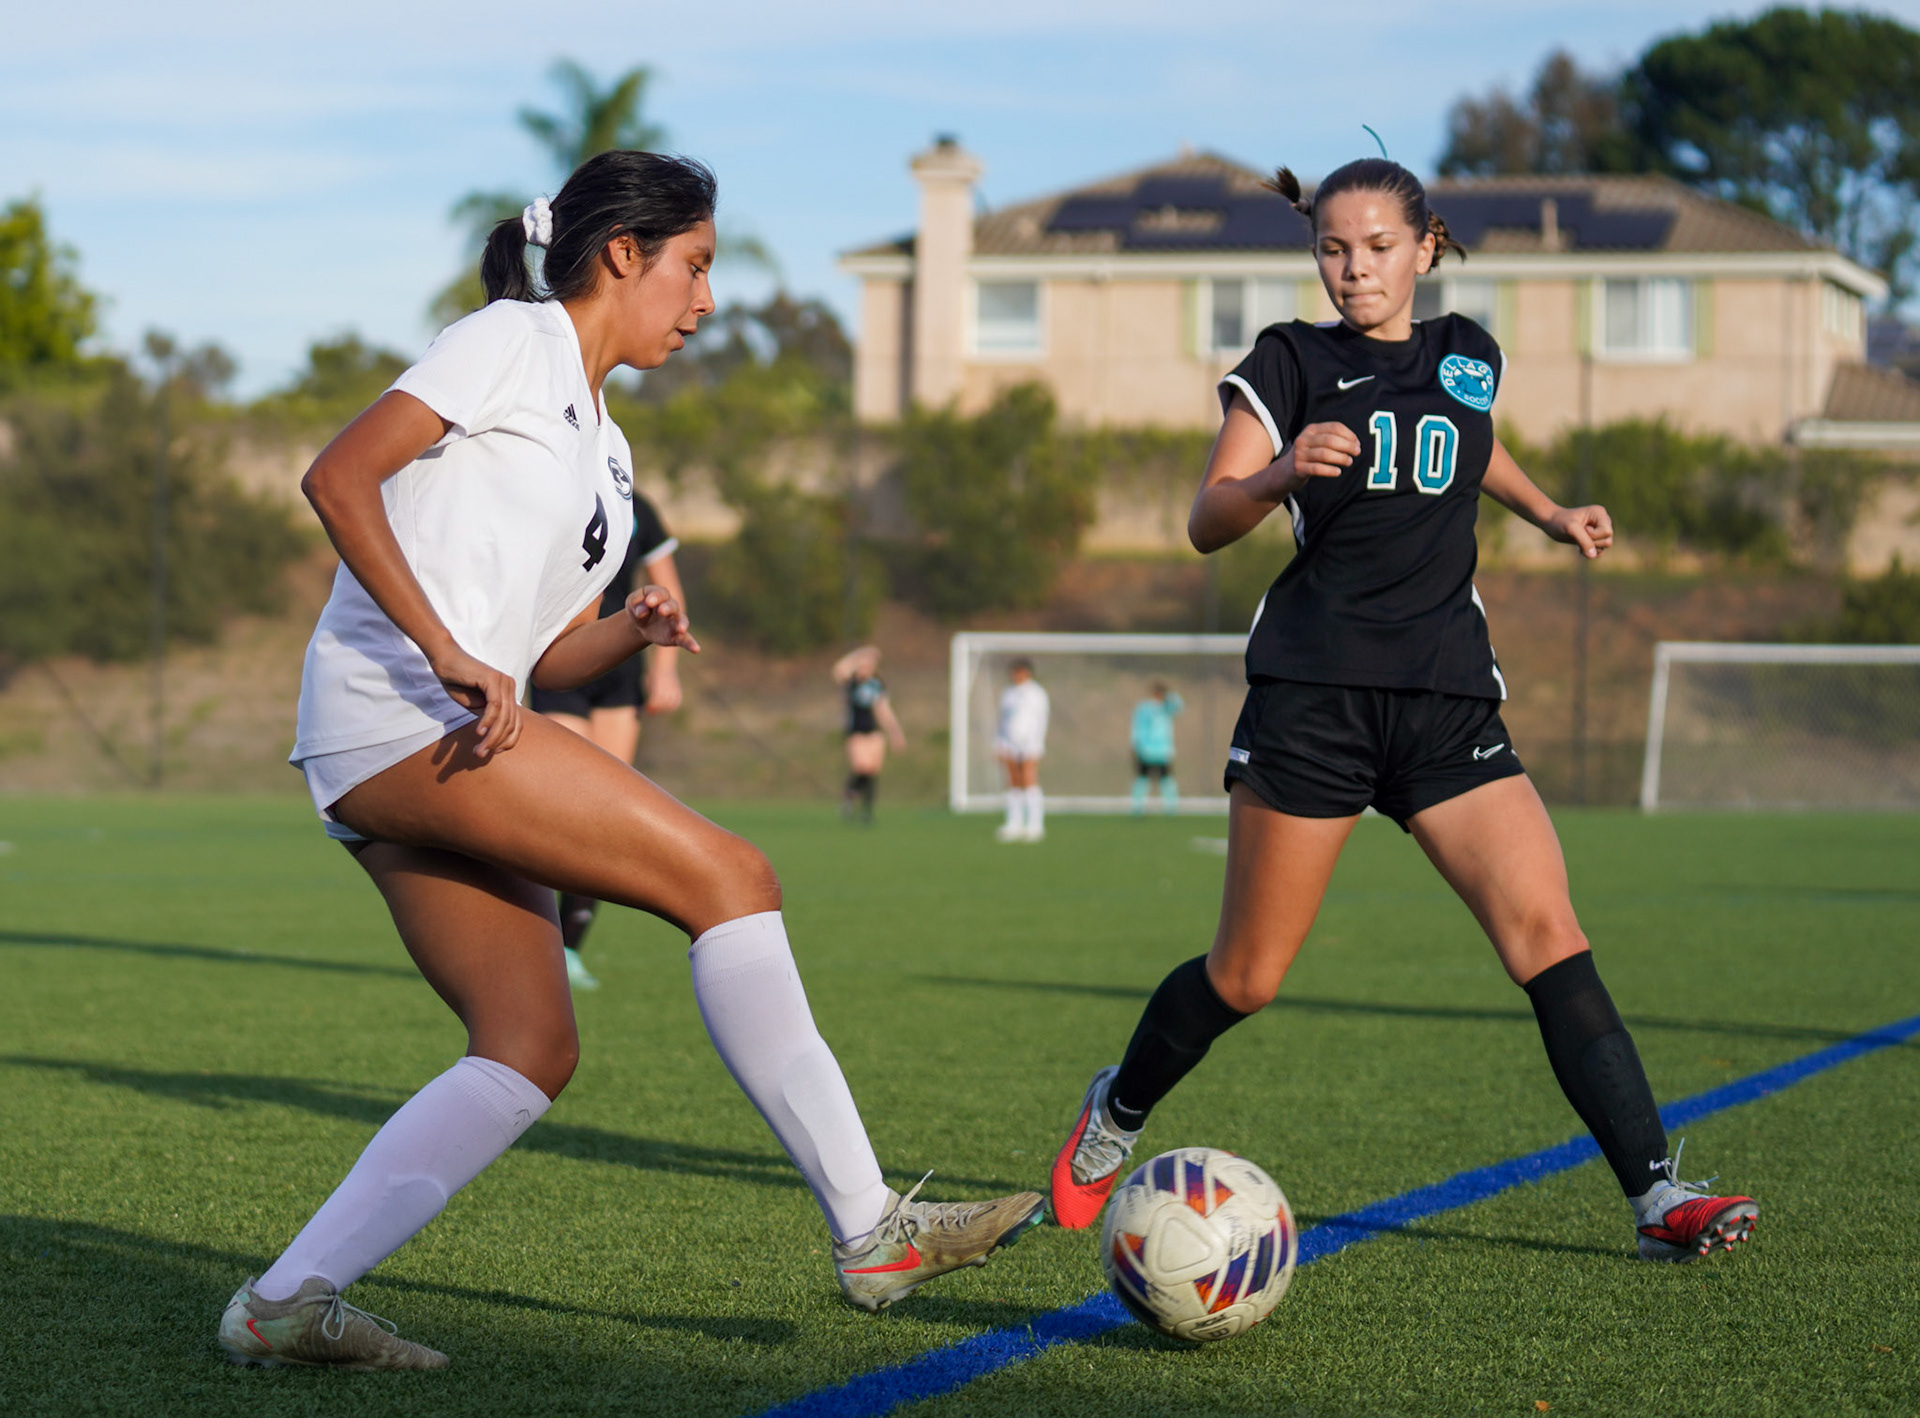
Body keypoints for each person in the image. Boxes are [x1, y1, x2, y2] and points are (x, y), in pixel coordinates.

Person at [217, 151, 1042, 1373]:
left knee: (528, 1044)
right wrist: (442, 648)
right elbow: (336, 476)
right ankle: (873, 1226)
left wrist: (631, 627)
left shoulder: (609, 451)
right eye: (693, 267)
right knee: (731, 875)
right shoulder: (511, 339)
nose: (707, 300)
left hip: (420, 730)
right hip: (401, 713)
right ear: (620, 254)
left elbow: (543, 649)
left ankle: (284, 1302)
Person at [1049, 158, 1756, 1267]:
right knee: (1246, 977)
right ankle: (1119, 1106)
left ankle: (1658, 1194)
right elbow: (1206, 517)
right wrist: (1281, 473)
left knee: (1550, 936)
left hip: (1446, 698)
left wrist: (1549, 511)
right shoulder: (1288, 360)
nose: (1354, 269)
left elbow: (1471, 443)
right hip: (1314, 700)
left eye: (1378, 247)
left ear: (1425, 247)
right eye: (1333, 249)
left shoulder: (1468, 352)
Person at [531, 488, 684, 990]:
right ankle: (529, 940)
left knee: (605, 812)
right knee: (561, 806)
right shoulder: (555, 488)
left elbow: (667, 589)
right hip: (560, 656)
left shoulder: (638, 506)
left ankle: (569, 949)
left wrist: (666, 670)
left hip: (620, 663)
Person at [831, 646, 906, 824]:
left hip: (874, 732)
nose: (866, 667)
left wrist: (896, 733)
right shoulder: (851, 683)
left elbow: (884, 710)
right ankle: (849, 798)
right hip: (856, 732)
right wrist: (860, 653)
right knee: (861, 768)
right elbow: (838, 669)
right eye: (863, 664)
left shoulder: (877, 685)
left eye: (870, 664)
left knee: (872, 771)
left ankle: (867, 812)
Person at [994, 658, 1049, 843]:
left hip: (1029, 743)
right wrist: (999, 743)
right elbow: (1002, 720)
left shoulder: (1036, 694)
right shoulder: (1008, 693)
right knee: (1013, 781)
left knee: (1029, 780)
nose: (1017, 675)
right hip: (1009, 742)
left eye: (1020, 671)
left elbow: (1041, 720)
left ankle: (1035, 824)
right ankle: (1014, 823)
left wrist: (1035, 743)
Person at [1129, 680, 1183, 815]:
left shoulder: (1166, 707)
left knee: (1166, 778)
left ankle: (1171, 807)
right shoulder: (1144, 708)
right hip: (1146, 750)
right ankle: (1137, 807)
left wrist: (1169, 694)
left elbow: (1179, 706)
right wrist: (1135, 745)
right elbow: (1137, 728)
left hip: (1163, 750)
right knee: (1142, 778)